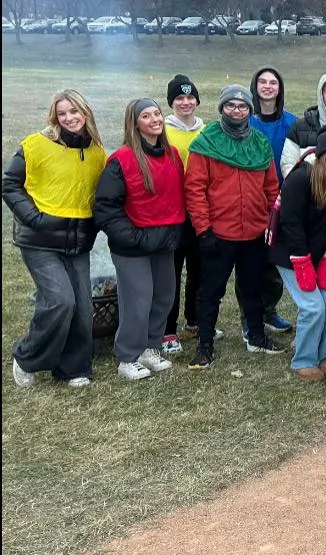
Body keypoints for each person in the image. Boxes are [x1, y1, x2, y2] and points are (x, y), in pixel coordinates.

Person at [3, 89, 106, 388]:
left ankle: (73, 368)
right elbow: (10, 183)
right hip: (39, 240)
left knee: (83, 308)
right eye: (62, 113)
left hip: (77, 242)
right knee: (60, 301)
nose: (69, 118)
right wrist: (34, 218)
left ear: (85, 113)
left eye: (74, 112)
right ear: (54, 116)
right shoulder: (35, 145)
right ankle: (26, 357)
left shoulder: (97, 151)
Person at [184, 85, 285, 369]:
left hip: (253, 232)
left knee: (252, 288)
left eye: (242, 106)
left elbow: (271, 187)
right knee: (211, 291)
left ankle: (255, 336)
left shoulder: (260, 143)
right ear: (222, 108)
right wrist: (203, 229)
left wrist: (269, 223)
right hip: (218, 233)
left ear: (250, 111)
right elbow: (195, 189)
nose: (236, 111)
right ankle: (205, 345)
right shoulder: (207, 143)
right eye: (230, 106)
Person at [93, 98, 185, 380]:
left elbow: (177, 198)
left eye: (157, 113)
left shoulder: (172, 155)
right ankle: (127, 355)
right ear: (135, 123)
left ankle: (150, 346)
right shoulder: (121, 160)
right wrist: (131, 236)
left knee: (164, 296)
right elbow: (106, 207)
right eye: (146, 116)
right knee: (138, 299)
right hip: (132, 245)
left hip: (163, 241)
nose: (155, 119)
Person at [267, 128, 326, 381]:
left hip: (318, 252)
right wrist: (302, 262)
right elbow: (290, 222)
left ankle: (323, 354)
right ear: (321, 153)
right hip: (290, 253)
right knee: (313, 307)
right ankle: (304, 359)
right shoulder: (301, 177)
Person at [249, 66, 298, 340]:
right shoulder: (247, 121)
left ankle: (269, 310)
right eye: (262, 82)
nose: (268, 86)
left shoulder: (291, 122)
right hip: (251, 201)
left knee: (275, 260)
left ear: (279, 89)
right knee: (252, 262)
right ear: (255, 87)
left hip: (281, 199)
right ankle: (251, 314)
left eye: (273, 82)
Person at [162, 74, 207, 354]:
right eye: (180, 98)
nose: (186, 103)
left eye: (190, 98)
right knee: (171, 273)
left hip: (200, 211)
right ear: (172, 103)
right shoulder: (163, 131)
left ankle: (195, 321)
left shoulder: (207, 131)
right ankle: (167, 329)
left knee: (199, 271)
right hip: (172, 213)